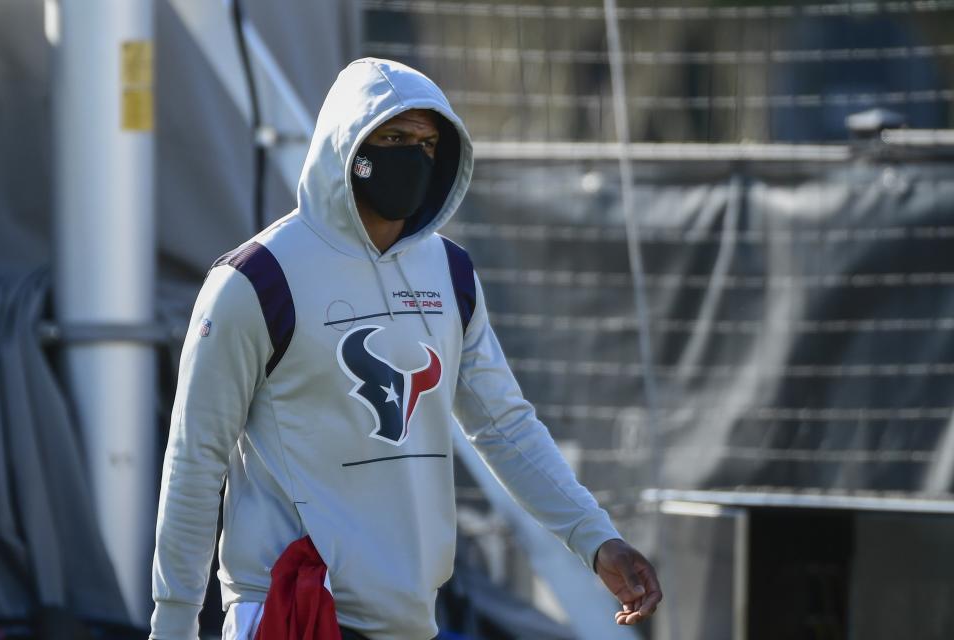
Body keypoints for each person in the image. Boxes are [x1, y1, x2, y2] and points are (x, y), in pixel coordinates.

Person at [150, 58, 661, 640]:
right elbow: (195, 462)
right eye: (392, 138)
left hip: (412, 620)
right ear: (347, 145)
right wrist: (172, 624)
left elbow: (505, 427)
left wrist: (596, 538)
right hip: (291, 612)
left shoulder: (450, 273)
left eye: (426, 143)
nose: (412, 155)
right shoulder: (256, 281)